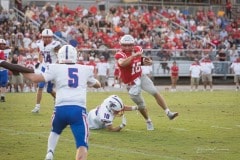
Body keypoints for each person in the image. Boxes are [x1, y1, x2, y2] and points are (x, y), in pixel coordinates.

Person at [8, 45, 101, 160]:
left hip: (60, 110)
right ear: (76, 56)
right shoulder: (85, 69)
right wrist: (95, 82)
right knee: (82, 144)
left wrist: (19, 69)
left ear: (59, 56)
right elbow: (97, 84)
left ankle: (50, 152)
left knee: (55, 131)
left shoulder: (55, 67)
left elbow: (34, 78)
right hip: (78, 110)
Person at [114, 35, 178, 131]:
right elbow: (123, 63)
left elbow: (139, 60)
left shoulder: (137, 50)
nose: (127, 47)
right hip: (131, 84)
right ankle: (148, 120)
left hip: (140, 76)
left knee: (155, 92)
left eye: (129, 45)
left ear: (133, 45)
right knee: (141, 105)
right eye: (125, 45)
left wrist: (146, 61)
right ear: (121, 45)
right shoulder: (120, 54)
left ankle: (168, 112)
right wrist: (133, 56)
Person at [31, 29, 61, 113]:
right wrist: (40, 60)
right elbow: (40, 52)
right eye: (45, 37)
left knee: (49, 90)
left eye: (49, 37)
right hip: (44, 67)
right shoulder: (39, 43)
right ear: (42, 37)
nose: (47, 39)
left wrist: (58, 63)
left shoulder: (55, 44)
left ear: (51, 37)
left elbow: (60, 54)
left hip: (53, 68)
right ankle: (37, 107)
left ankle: (56, 98)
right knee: (40, 86)